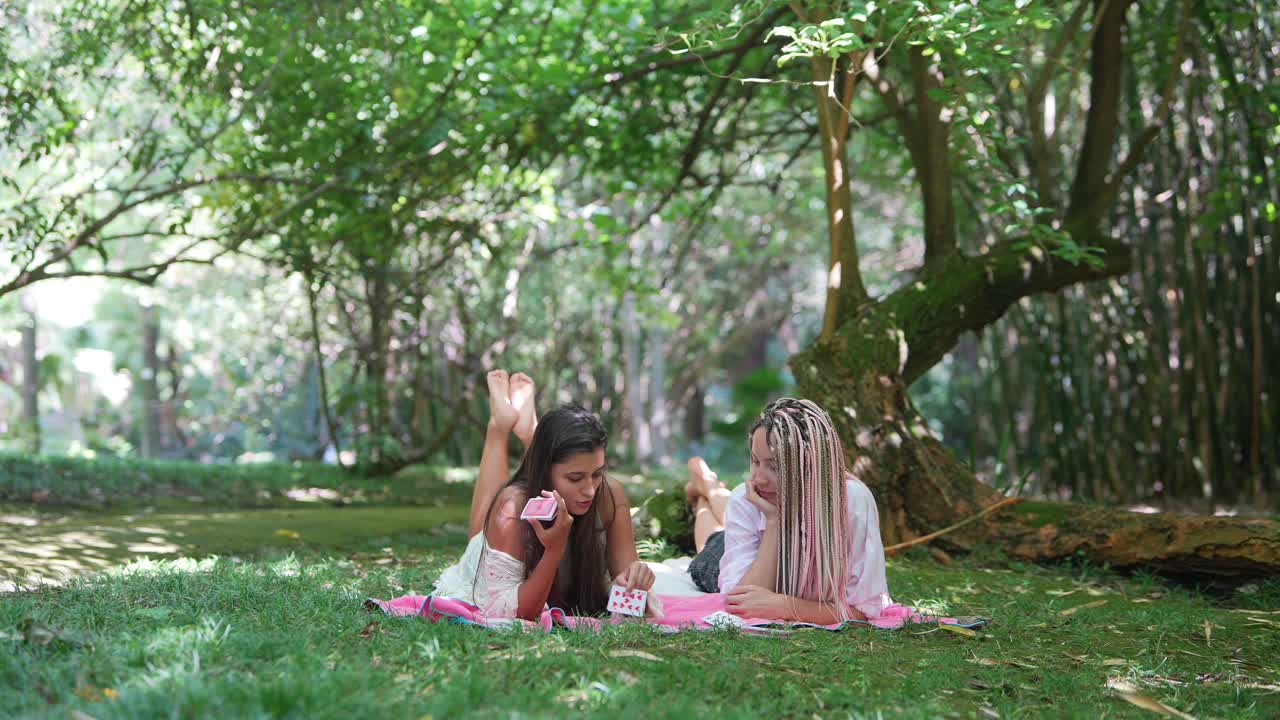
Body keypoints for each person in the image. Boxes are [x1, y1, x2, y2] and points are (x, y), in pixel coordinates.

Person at [432, 370, 654, 620]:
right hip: (491, 557)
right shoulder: (512, 507)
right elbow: (515, 614)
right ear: (545, 470)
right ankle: (499, 425)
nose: (590, 490)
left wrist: (636, 583)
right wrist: (553, 550)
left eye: (597, 473)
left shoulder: (609, 494)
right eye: (575, 478)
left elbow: (627, 594)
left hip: (537, 489)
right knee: (481, 530)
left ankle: (531, 434)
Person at [683, 398, 891, 623]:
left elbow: (863, 609)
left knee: (724, 519)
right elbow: (740, 602)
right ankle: (704, 495)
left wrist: (787, 606)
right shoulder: (747, 498)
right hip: (751, 559)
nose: (758, 479)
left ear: (812, 463)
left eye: (775, 466)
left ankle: (707, 487)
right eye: (754, 461)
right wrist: (773, 522)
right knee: (712, 540)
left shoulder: (852, 500)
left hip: (757, 544)